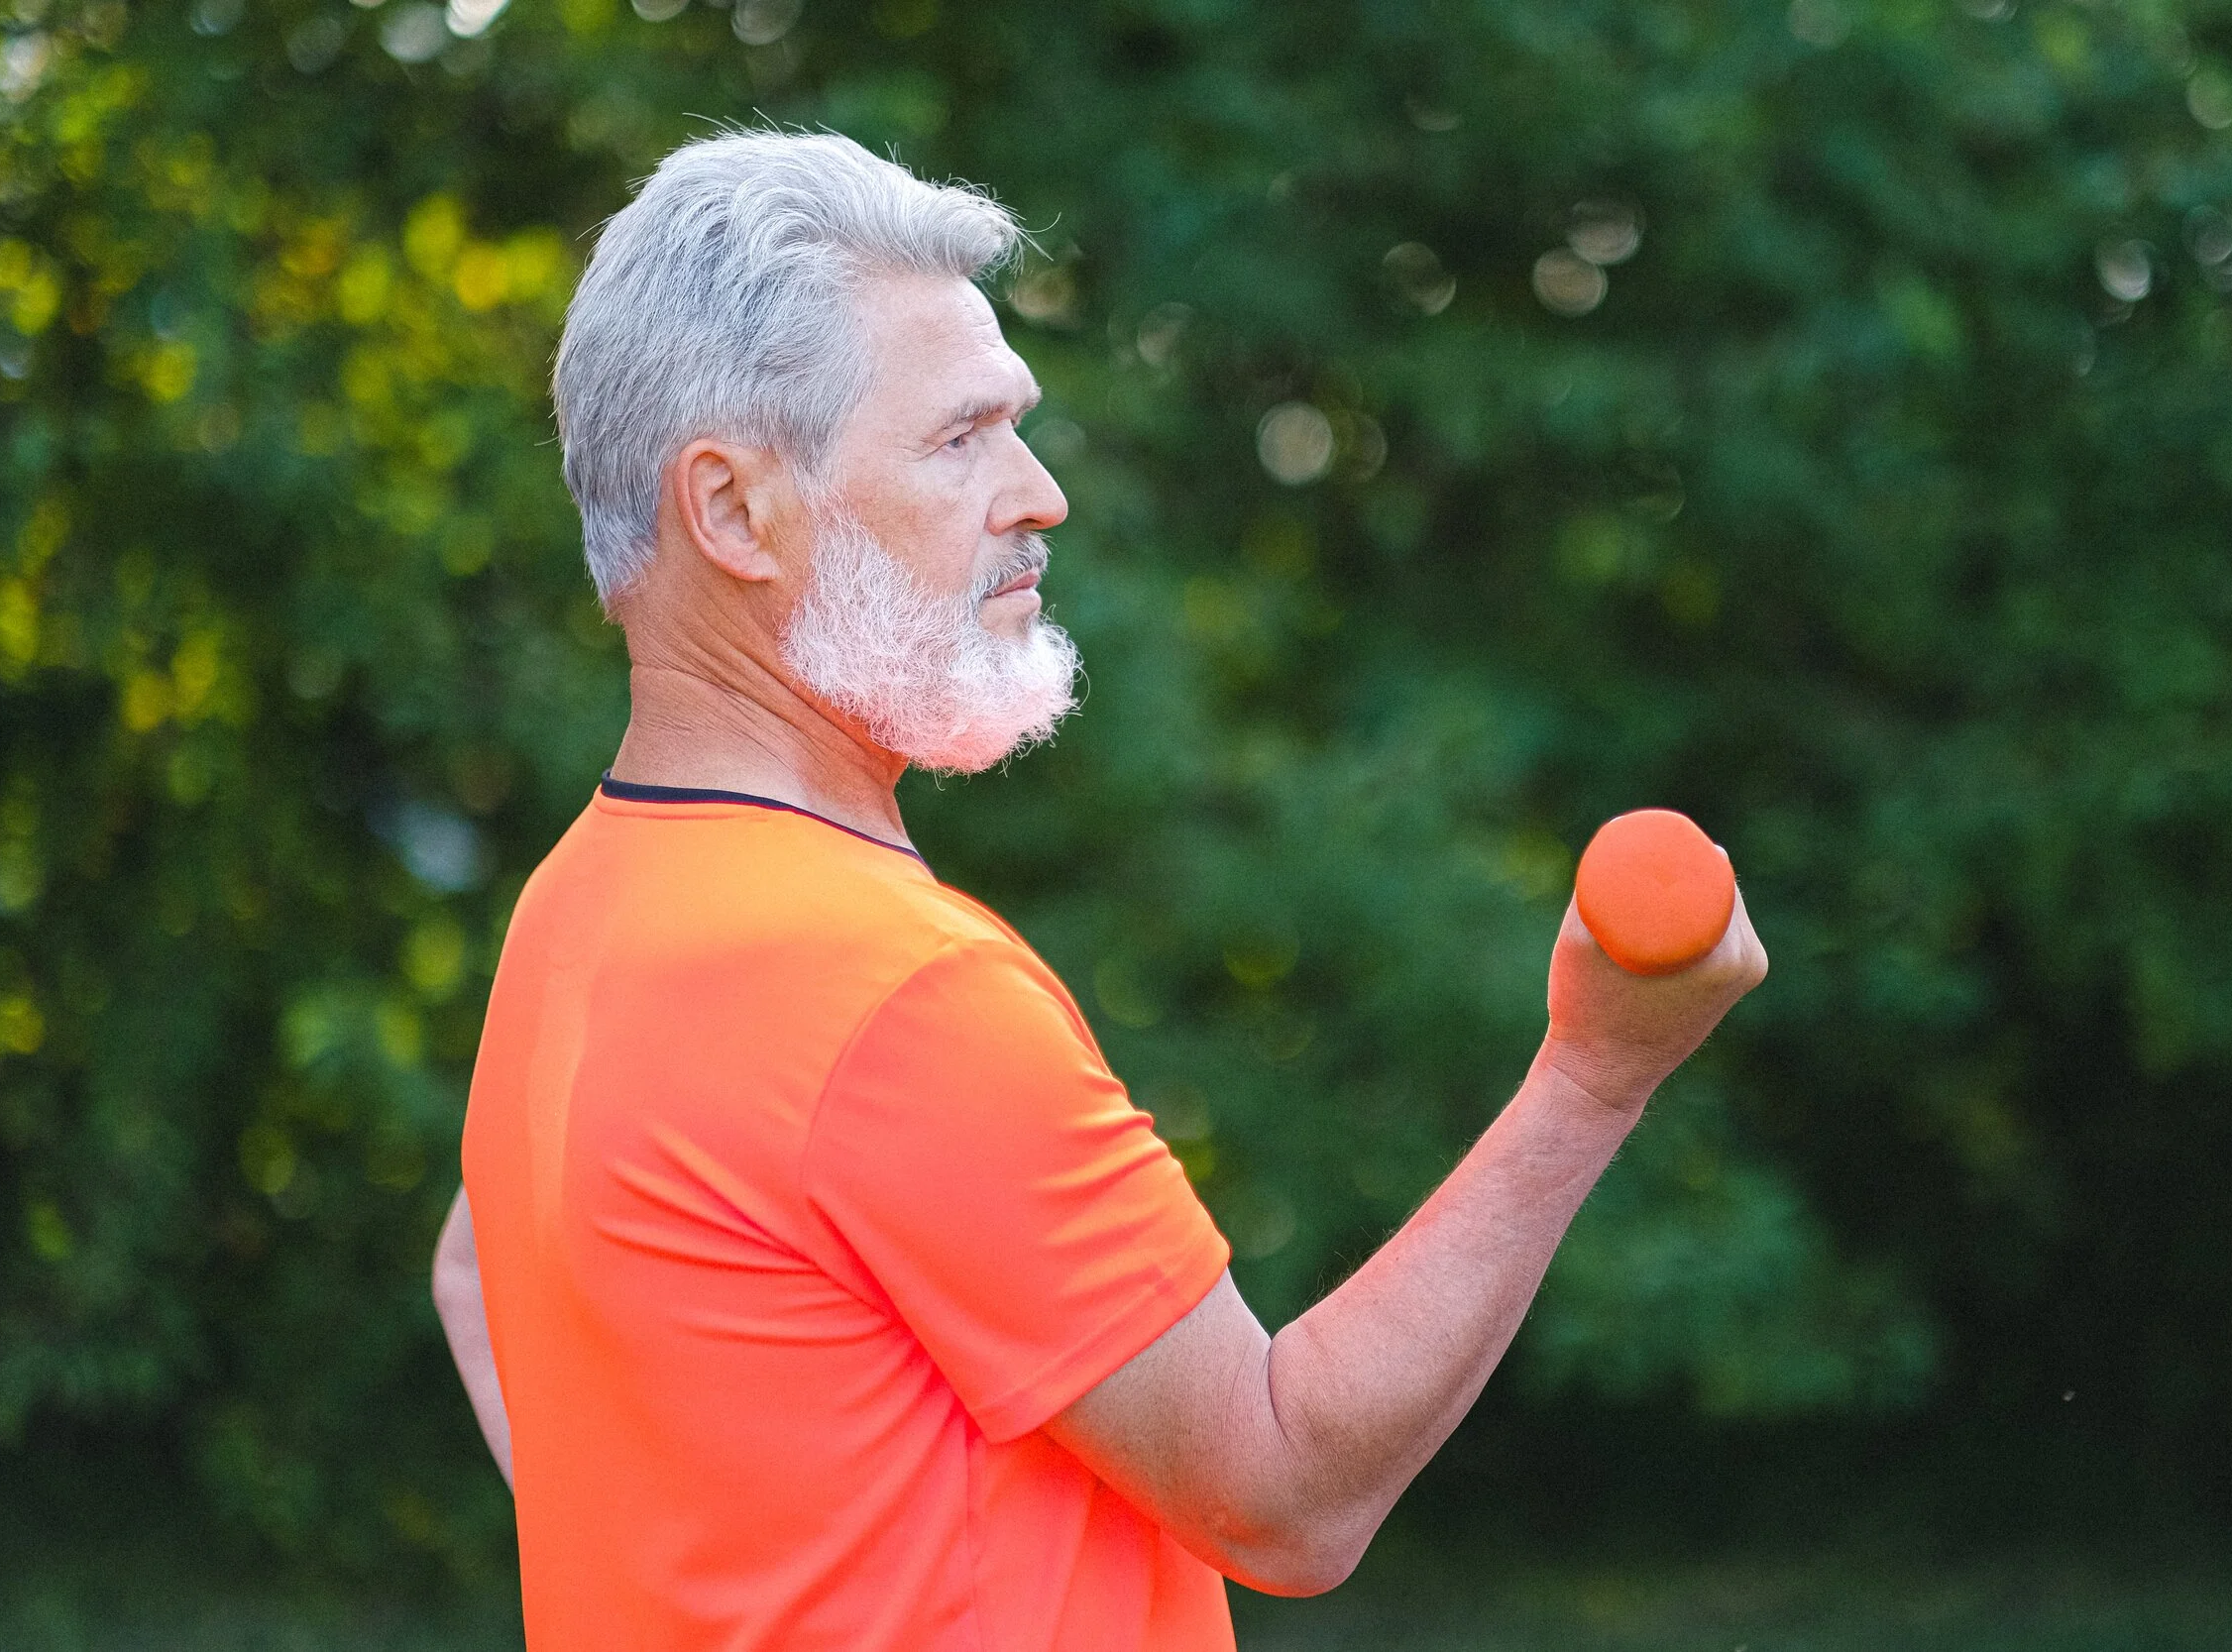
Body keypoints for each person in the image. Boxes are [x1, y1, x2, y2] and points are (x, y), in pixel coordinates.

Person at [432, 130, 1765, 1652]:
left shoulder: (579, 912)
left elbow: (479, 1261)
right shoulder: (883, 990)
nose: (1040, 494)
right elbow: (1283, 1491)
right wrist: (1596, 1071)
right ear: (734, 513)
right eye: (961, 439)